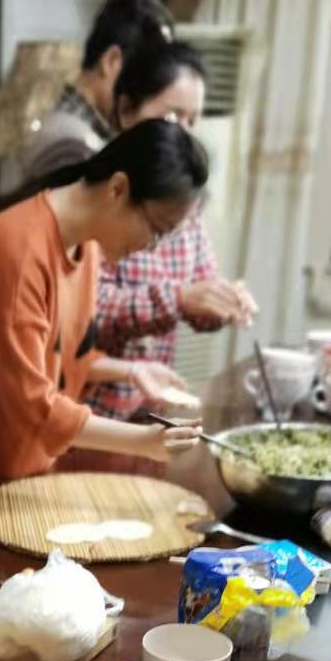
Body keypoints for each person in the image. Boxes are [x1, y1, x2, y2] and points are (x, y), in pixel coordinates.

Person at [0, 121, 207, 531]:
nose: (149, 248)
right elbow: (36, 407)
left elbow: (61, 354)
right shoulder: (19, 257)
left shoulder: (84, 246)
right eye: (155, 231)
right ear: (118, 189)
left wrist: (131, 370)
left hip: (17, 469)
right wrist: (145, 442)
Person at [82, 42, 257, 422]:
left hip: (147, 410)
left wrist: (222, 300)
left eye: (193, 120)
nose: (184, 133)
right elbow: (86, 314)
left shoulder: (185, 202)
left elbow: (200, 292)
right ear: (126, 110)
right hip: (89, 414)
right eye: (173, 116)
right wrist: (178, 300)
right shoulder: (101, 193)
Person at [0, 0, 174, 193]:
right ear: (112, 62)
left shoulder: (68, 119)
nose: (149, 97)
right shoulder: (71, 146)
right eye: (148, 81)